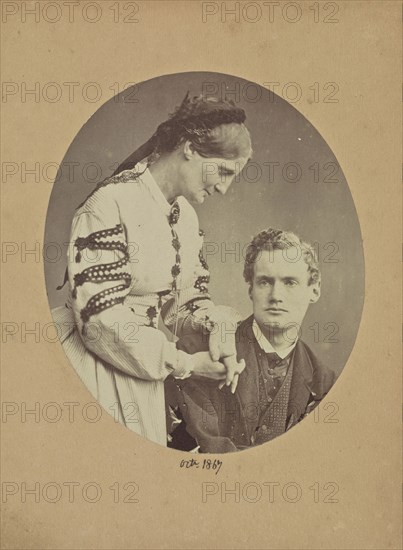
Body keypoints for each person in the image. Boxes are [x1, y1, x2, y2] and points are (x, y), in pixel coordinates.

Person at [51, 92, 252, 446]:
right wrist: (183, 363)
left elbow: (186, 301)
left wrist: (219, 328)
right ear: (189, 147)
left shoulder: (185, 216)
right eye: (222, 171)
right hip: (94, 362)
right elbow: (98, 320)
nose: (224, 188)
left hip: (143, 369)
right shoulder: (111, 203)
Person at [168, 228, 337, 452]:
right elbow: (201, 451)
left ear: (314, 291)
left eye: (290, 283)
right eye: (265, 282)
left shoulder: (324, 381)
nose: (276, 296)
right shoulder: (197, 352)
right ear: (251, 290)